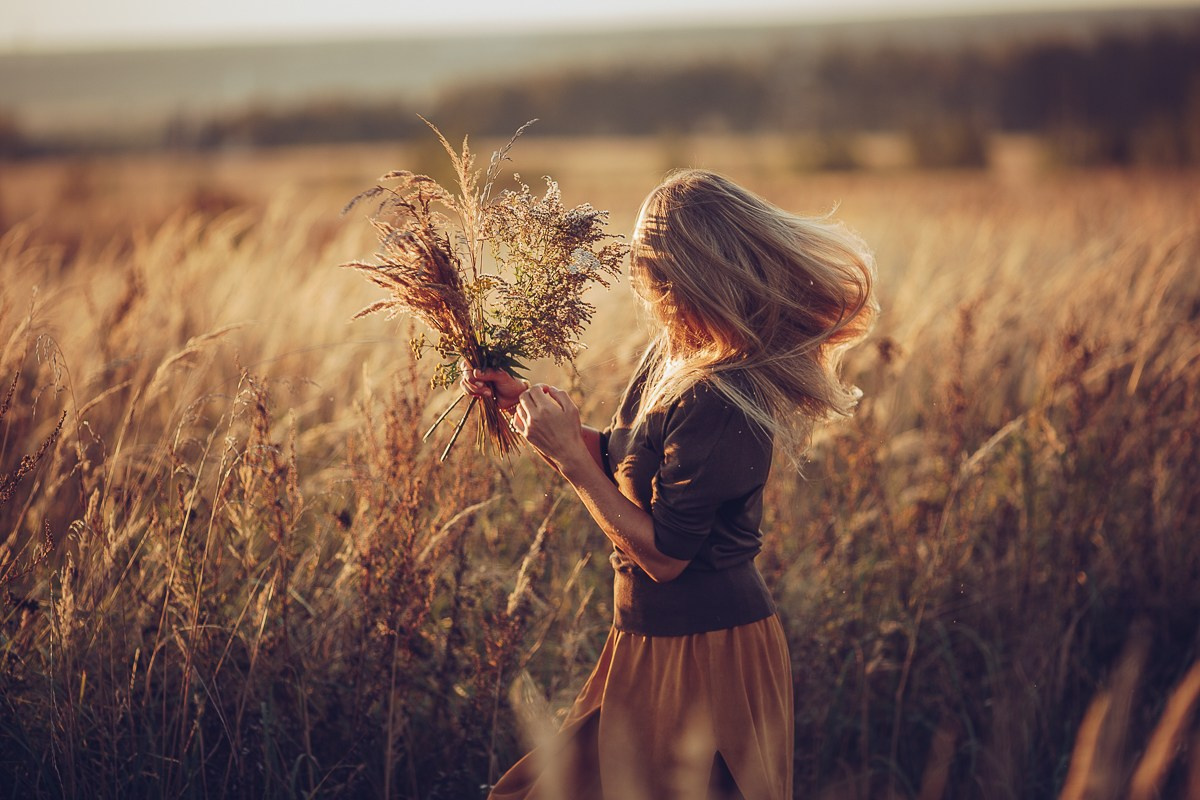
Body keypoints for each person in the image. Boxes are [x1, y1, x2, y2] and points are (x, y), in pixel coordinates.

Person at [463, 169, 877, 800]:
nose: (644, 287)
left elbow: (664, 555)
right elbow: (632, 462)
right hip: (645, 642)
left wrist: (571, 465)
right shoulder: (677, 356)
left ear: (692, 273)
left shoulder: (725, 394)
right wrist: (533, 411)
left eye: (651, 270)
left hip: (709, 653)